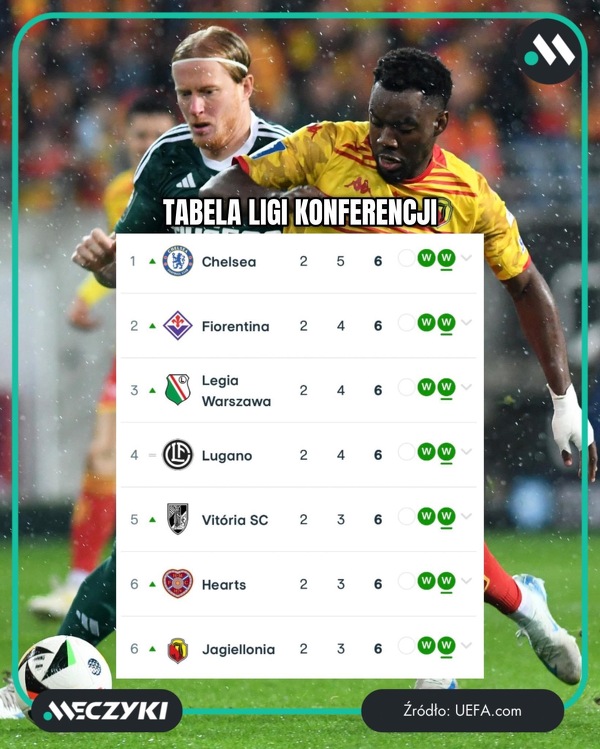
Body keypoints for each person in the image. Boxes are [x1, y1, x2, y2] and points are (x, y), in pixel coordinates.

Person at [197, 47, 597, 689]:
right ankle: (523, 603)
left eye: (403, 127)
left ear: (440, 124)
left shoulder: (469, 197)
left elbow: (526, 285)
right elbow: (221, 197)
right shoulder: (326, 145)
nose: (382, 138)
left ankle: (440, 660)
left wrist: (562, 399)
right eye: (377, 120)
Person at [0, 25, 289, 719]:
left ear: (246, 87)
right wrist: (108, 264)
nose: (195, 108)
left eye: (208, 92)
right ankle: (42, 679)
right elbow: (131, 265)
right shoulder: (166, 159)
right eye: (185, 94)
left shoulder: (292, 157)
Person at [27, 96, 177, 620]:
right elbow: (126, 257)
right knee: (103, 457)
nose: (148, 145)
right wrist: (88, 294)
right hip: (141, 345)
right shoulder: (120, 192)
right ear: (126, 139)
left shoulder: (209, 187)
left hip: (202, 344)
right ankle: (77, 581)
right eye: (140, 135)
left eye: (158, 136)